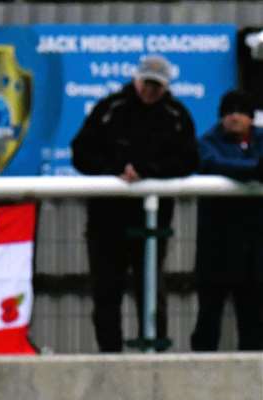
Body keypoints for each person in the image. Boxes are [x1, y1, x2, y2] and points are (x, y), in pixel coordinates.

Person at [70, 55, 199, 352]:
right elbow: (81, 153)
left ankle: (153, 356)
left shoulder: (176, 115)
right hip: (106, 220)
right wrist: (115, 169)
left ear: (166, 87)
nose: (150, 92)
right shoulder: (110, 109)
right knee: (106, 292)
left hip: (152, 224)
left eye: (157, 86)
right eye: (146, 84)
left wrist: (148, 170)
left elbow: (189, 159)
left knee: (151, 292)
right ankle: (109, 357)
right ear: (135, 79)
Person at [190, 90, 262, 352]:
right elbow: (212, 164)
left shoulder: (260, 140)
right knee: (208, 317)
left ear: (251, 118)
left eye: (240, 112)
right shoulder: (208, 142)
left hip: (253, 247)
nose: (233, 117)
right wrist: (254, 171)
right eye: (228, 112)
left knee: (253, 317)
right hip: (216, 245)